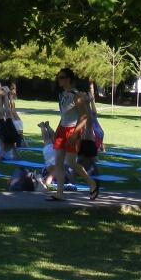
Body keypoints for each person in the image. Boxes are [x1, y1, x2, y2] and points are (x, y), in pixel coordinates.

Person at [48, 68, 98, 201]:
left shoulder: (76, 95)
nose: (59, 80)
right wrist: (58, 131)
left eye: (62, 77)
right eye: (58, 77)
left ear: (69, 79)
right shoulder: (62, 95)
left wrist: (75, 134)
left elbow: (85, 116)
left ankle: (92, 184)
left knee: (71, 162)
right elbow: (63, 115)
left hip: (72, 131)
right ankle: (60, 193)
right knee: (58, 161)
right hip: (62, 129)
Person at [0, 85, 21, 161]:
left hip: (11, 139)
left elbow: (17, 156)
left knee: (8, 115)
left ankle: (5, 96)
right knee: (0, 116)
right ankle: (2, 97)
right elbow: (0, 155)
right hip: (6, 139)